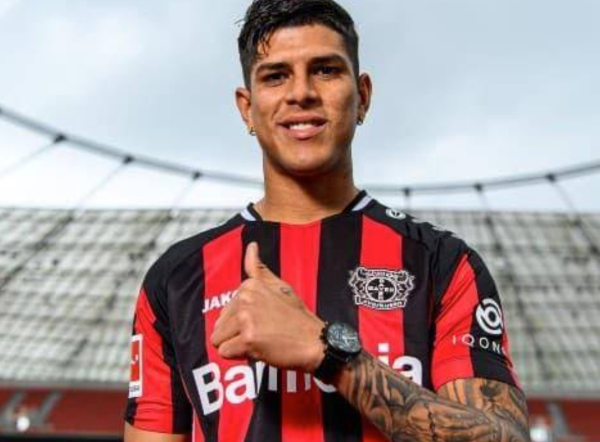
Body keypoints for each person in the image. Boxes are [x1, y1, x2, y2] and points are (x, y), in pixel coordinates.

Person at [124, 0, 530, 441]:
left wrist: (331, 353)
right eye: (276, 76)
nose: (301, 92)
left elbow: (504, 436)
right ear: (247, 108)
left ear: (363, 96)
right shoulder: (177, 278)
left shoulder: (442, 263)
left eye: (325, 70)